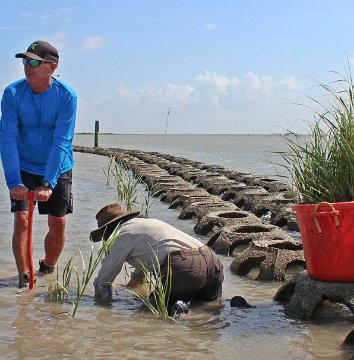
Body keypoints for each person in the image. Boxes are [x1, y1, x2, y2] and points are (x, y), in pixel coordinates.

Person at [0, 40, 77, 288]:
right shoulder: (12, 94)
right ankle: (24, 278)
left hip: (57, 166)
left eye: (34, 61)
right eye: (24, 61)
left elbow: (61, 141)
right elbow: (8, 138)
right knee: (22, 219)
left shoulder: (66, 96)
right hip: (23, 164)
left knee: (58, 222)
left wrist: (48, 182)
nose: (27, 66)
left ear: (52, 67)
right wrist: (14, 181)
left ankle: (48, 268)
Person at [90, 203, 224, 308]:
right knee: (205, 308)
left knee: (153, 308)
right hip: (212, 260)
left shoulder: (121, 235)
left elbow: (103, 281)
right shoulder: (144, 225)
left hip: (186, 266)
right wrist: (131, 289)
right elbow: (141, 269)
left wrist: (101, 307)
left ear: (108, 230)